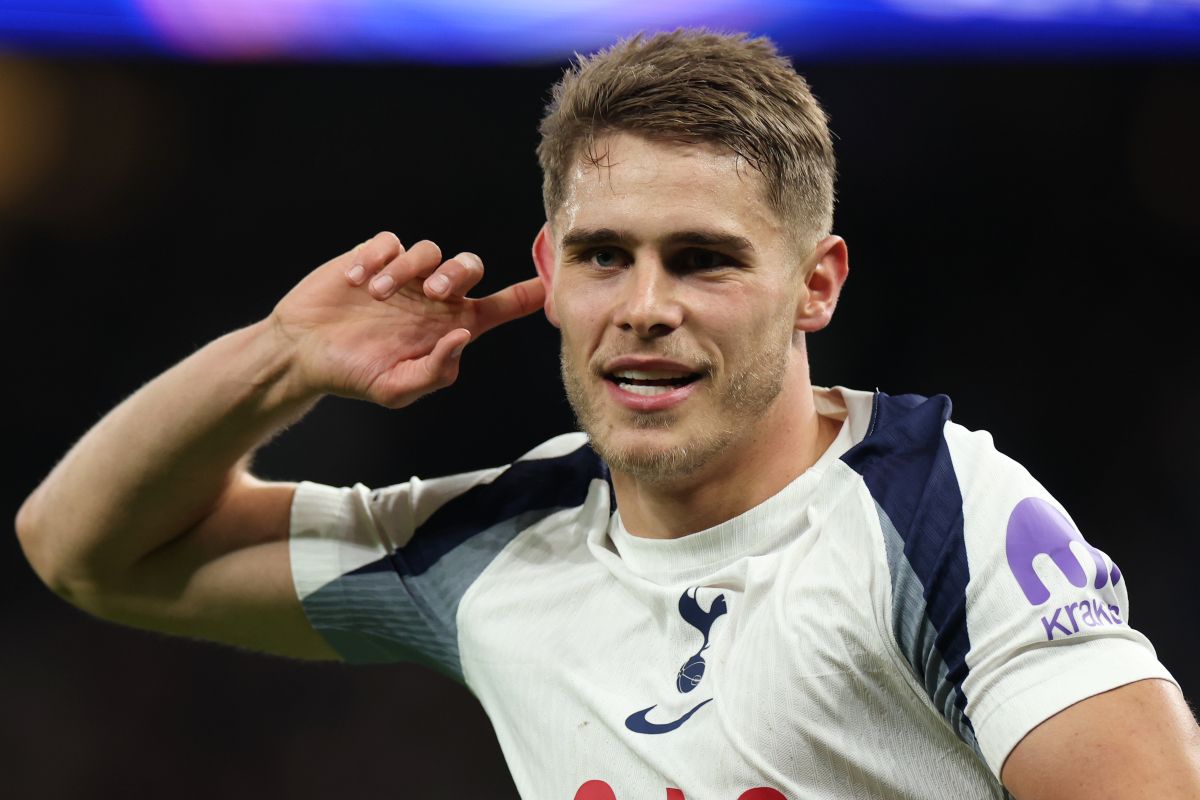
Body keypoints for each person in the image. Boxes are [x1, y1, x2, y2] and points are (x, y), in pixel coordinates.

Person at [14, 29, 1200, 800]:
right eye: (603, 255)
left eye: (703, 260)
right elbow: (83, 548)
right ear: (548, 268)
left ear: (817, 283)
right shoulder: (491, 545)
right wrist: (281, 358)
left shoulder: (945, 515)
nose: (644, 306)